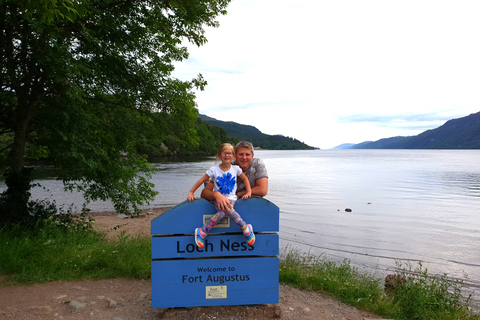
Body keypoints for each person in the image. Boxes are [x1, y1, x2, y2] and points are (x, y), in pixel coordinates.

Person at [187, 143, 255, 248]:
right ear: (219, 155)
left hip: (231, 199)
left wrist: (249, 192)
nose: (227, 155)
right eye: (224, 153)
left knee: (225, 213)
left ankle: (203, 231)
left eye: (230, 153)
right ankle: (246, 229)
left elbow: (245, 179)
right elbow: (201, 180)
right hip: (217, 200)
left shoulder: (236, 169)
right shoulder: (214, 170)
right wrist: (191, 192)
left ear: (233, 156)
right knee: (224, 213)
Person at [201, 141, 268, 210]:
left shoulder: (257, 164)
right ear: (235, 155)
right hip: (228, 207)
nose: (244, 157)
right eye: (241, 154)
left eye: (247, 154)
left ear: (252, 156)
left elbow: (262, 190)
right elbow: (204, 193)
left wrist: (239, 194)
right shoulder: (226, 167)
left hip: (252, 207)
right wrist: (215, 194)